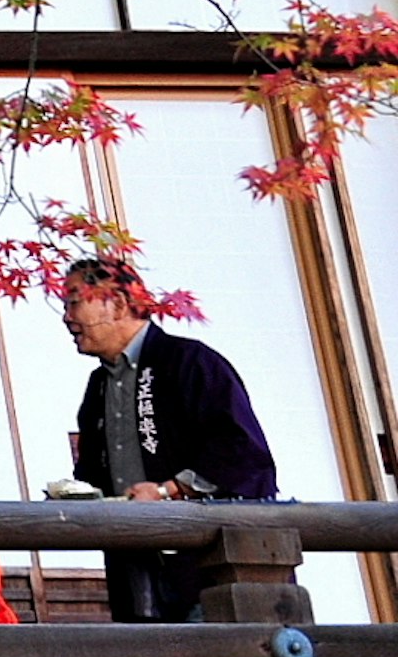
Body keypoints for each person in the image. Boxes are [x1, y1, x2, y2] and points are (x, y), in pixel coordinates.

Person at [64, 258, 281, 624]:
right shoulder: (98, 385)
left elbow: (241, 453)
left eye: (74, 302)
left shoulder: (188, 361)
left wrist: (169, 491)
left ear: (117, 304)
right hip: (140, 562)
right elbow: (94, 474)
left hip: (207, 560)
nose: (67, 317)